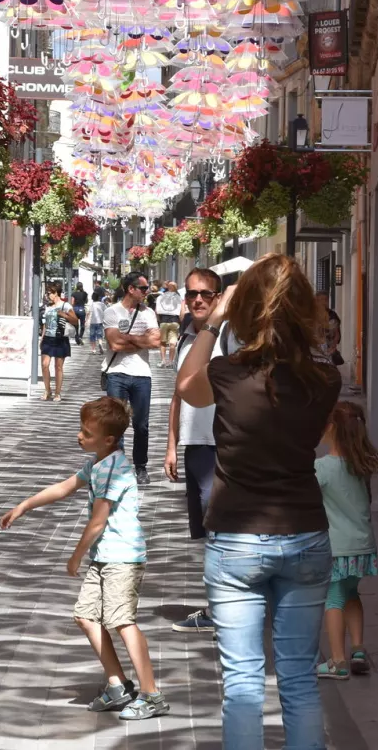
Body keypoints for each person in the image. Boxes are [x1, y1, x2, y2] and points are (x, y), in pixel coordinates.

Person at [176, 253, 341, 750]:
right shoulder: (325, 378)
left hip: (237, 539)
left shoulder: (227, 373)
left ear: (245, 307)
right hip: (305, 533)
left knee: (244, 683)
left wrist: (213, 323)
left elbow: (187, 387)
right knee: (298, 680)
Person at [0, 397, 170, 721]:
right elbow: (65, 487)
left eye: (87, 433)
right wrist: (23, 506)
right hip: (105, 557)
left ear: (108, 440)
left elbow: (98, 521)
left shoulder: (113, 469)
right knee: (85, 615)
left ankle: (152, 694)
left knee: (122, 622)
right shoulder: (98, 463)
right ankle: (118, 684)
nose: (80, 436)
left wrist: (75, 557)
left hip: (121, 557)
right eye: (81, 430)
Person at [163, 267, 224, 634]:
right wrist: (171, 445)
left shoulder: (228, 337)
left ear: (218, 298)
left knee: (219, 529)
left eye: (205, 294)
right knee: (207, 530)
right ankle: (219, 605)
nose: (197, 299)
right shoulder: (187, 339)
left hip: (222, 445)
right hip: (195, 446)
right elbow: (178, 394)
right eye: (191, 294)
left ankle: (221, 609)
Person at [314, 401, 378, 679]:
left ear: (332, 429)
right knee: (352, 594)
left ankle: (337, 661)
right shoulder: (362, 465)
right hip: (363, 546)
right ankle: (357, 649)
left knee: (333, 599)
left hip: (337, 548)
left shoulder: (322, 468)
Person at [102, 272, 161, 481]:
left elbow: (155, 342)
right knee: (116, 423)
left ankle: (141, 466)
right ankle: (118, 467)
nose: (147, 292)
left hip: (142, 374)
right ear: (131, 289)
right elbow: (114, 344)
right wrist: (141, 339)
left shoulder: (148, 313)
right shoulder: (112, 312)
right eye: (144, 289)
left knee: (141, 424)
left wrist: (127, 338)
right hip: (116, 373)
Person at [40, 284, 79, 402]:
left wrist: (64, 315)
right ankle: (47, 390)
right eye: (47, 293)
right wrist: (42, 338)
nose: (48, 295)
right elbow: (45, 324)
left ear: (56, 293)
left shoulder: (65, 305)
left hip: (60, 338)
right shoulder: (48, 307)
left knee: (58, 367)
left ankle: (57, 393)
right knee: (45, 364)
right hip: (48, 338)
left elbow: (75, 321)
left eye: (49, 293)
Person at [156, 281, 183, 354]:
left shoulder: (161, 296)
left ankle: (163, 361)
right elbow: (181, 310)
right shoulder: (179, 297)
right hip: (175, 320)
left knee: (162, 343)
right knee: (173, 343)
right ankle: (171, 361)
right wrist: (181, 322)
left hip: (163, 320)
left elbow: (157, 310)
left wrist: (158, 320)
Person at [88, 286, 110, 353]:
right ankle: (100, 344)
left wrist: (86, 320)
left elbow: (88, 313)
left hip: (92, 322)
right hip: (100, 322)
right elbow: (106, 311)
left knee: (92, 336)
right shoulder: (102, 304)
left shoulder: (92, 304)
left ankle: (93, 349)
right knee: (99, 335)